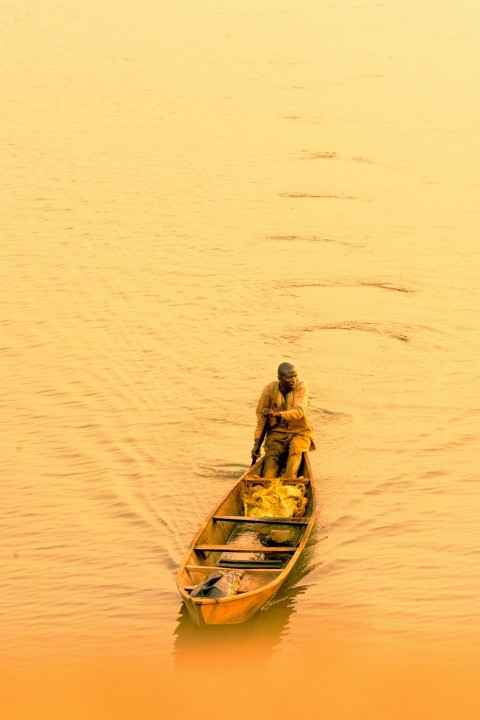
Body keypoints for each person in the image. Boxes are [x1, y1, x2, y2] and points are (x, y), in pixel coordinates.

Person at [251, 362, 314, 478]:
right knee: (271, 462)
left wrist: (276, 414)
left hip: (299, 432)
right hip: (276, 434)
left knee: (295, 451)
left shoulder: (301, 386)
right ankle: (268, 483)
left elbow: (299, 412)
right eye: (289, 377)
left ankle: (289, 479)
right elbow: (261, 420)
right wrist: (256, 444)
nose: (293, 380)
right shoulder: (269, 390)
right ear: (280, 378)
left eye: (295, 376)